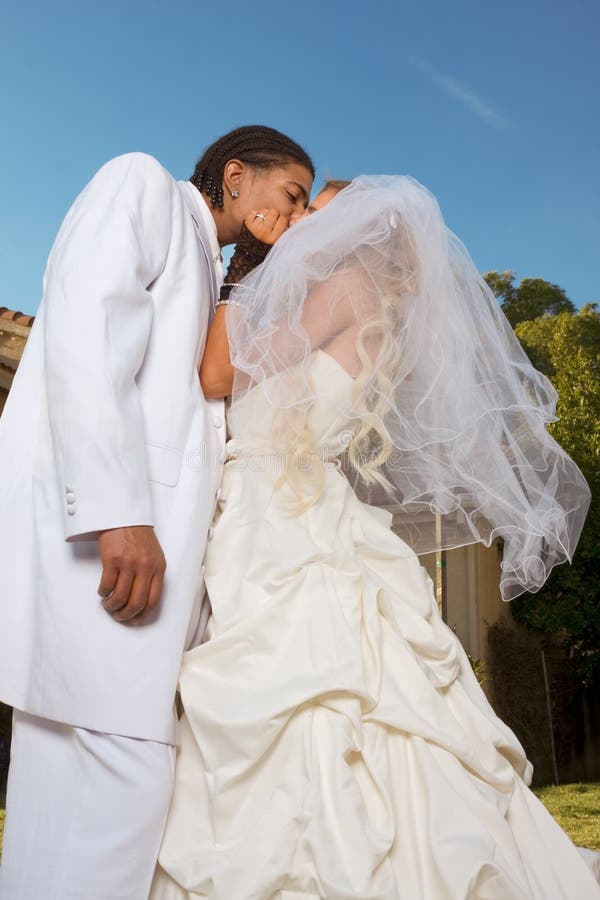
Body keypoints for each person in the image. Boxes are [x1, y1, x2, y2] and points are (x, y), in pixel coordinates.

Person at [150, 175, 600, 900]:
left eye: (316, 217)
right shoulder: (379, 309)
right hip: (292, 511)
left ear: (358, 237)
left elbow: (216, 372)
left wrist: (236, 284)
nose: (299, 228)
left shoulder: (348, 289)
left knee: (306, 695)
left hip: (281, 521)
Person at [0, 125, 314, 900]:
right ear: (236, 175)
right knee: (129, 781)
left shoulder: (215, 276)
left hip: (146, 554)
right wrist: (118, 516)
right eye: (294, 194)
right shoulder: (141, 185)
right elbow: (85, 333)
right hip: (109, 544)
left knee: (63, 783)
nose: (300, 214)